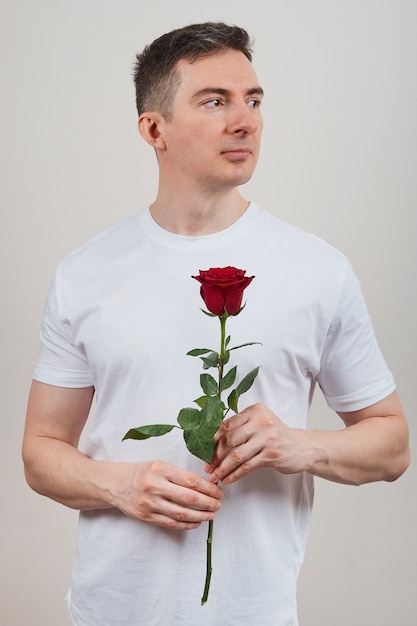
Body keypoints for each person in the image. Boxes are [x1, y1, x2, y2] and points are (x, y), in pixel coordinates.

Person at [22, 21, 410, 626]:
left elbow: (392, 445)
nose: (245, 120)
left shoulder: (318, 270)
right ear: (154, 129)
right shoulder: (85, 273)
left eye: (253, 101)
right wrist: (119, 485)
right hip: (108, 612)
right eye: (214, 101)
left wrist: (299, 445)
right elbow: (41, 451)